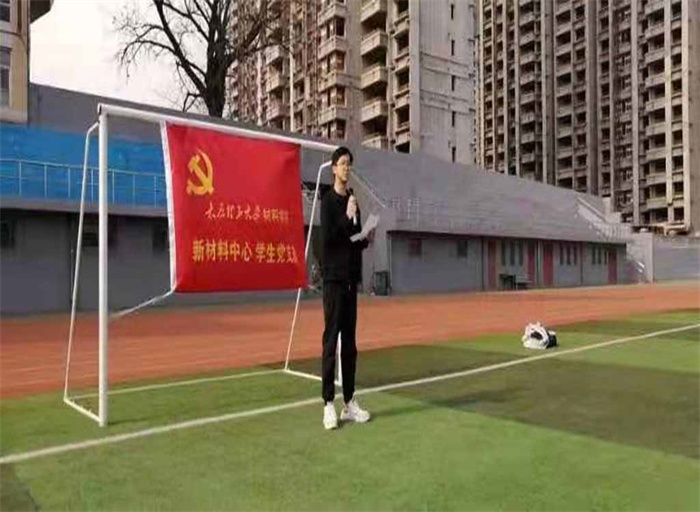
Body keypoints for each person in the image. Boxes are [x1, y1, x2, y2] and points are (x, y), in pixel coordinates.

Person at [320, 146, 373, 430]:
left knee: (350, 346)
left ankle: (349, 402)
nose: (346, 168)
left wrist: (366, 237)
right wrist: (346, 215)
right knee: (331, 341)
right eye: (342, 163)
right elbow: (328, 240)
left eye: (349, 164)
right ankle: (328, 403)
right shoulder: (328, 201)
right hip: (333, 281)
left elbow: (352, 239)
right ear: (333, 169)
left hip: (351, 282)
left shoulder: (354, 201)